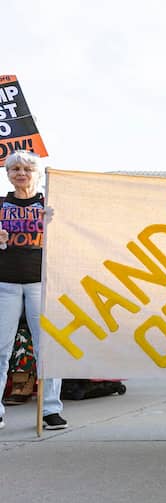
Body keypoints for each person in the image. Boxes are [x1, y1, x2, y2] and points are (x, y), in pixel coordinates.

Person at [0, 150, 67, 431]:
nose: (21, 174)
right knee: (1, 348)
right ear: (8, 174)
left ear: (37, 174)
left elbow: (68, 239)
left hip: (41, 283)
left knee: (47, 348)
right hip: (5, 284)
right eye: (15, 169)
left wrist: (57, 222)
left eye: (27, 169)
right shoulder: (1, 205)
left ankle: (50, 409)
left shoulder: (49, 205)